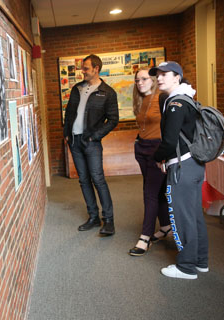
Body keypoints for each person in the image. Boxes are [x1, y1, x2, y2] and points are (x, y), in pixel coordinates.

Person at [149, 61, 207, 279]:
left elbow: (169, 141)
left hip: (182, 166)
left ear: (177, 77)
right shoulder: (187, 99)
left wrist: (156, 158)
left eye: (165, 74)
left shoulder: (175, 104)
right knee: (194, 216)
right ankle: (200, 261)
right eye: (158, 75)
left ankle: (186, 267)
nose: (160, 78)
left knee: (182, 218)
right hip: (194, 165)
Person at [63, 54, 119, 235]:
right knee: (84, 180)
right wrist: (66, 134)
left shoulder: (108, 93)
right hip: (74, 141)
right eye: (82, 68)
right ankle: (93, 217)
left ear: (96, 69)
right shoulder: (76, 89)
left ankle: (108, 220)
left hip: (91, 142)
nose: (82, 71)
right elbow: (69, 113)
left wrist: (95, 136)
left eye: (86, 68)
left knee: (98, 179)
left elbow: (113, 120)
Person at [129, 67, 171, 256]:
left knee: (150, 193)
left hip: (157, 150)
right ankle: (165, 227)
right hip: (142, 148)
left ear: (153, 80)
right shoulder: (141, 100)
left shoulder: (161, 98)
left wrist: (163, 154)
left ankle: (145, 237)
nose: (140, 83)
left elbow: (169, 128)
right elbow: (144, 124)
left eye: (144, 79)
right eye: (137, 80)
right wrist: (139, 141)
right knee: (158, 191)